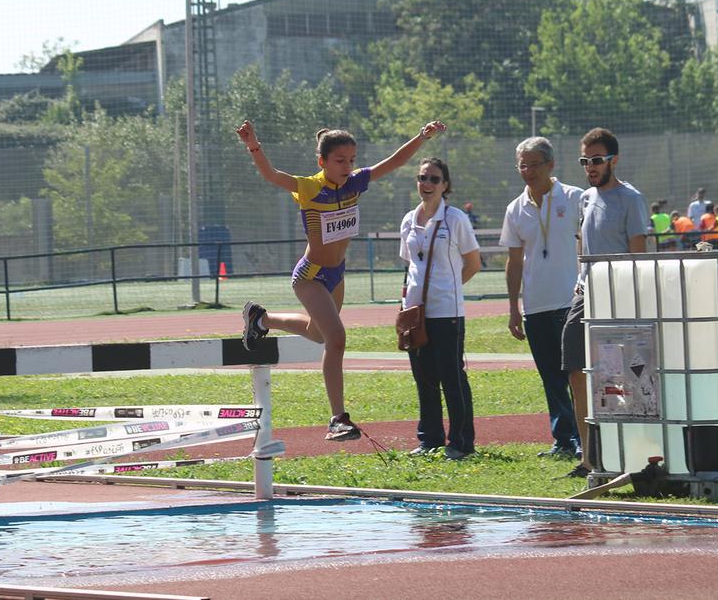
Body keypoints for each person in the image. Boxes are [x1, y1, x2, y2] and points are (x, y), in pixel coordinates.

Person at [237, 118, 447, 441]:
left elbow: (393, 162)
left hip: (336, 274)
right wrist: (253, 144)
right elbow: (272, 175)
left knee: (317, 333)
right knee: (336, 339)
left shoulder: (355, 183)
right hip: (311, 275)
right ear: (322, 162)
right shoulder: (309, 187)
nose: (347, 167)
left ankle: (260, 319)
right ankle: (338, 419)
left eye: (351, 160)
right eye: (339, 161)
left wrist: (422, 137)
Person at [561, 128, 648, 479]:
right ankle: (589, 457)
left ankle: (627, 451)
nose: (590, 167)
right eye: (585, 161)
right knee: (574, 368)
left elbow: (638, 254)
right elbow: (582, 241)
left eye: (596, 160)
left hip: (618, 296)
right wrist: (579, 278)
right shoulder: (585, 198)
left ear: (614, 160)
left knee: (621, 375)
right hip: (586, 294)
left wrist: (631, 298)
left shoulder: (631, 198)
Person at [499, 137, 583, 460]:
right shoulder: (515, 208)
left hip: (570, 302)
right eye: (523, 165)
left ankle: (583, 438)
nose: (528, 171)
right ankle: (563, 439)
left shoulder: (574, 198)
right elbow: (514, 260)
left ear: (550, 164)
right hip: (535, 305)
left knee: (575, 374)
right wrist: (513, 308)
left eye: (534, 164)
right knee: (550, 376)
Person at [401, 157, 482, 460]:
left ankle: (461, 442)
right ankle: (430, 439)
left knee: (452, 377)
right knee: (424, 377)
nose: (427, 184)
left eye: (434, 179)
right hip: (415, 313)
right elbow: (410, 264)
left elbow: (473, 263)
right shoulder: (408, 220)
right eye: (422, 178)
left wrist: (449, 289)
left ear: (445, 185)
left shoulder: (455, 219)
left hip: (447, 312)